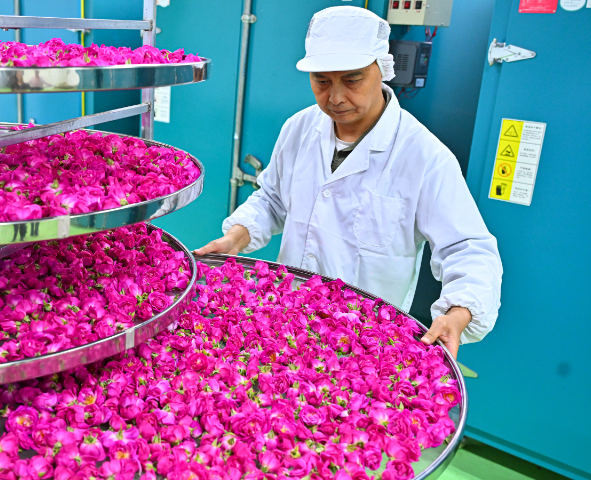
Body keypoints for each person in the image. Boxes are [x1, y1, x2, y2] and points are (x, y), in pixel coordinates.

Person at [195, 6, 502, 359]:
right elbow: (272, 200)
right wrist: (236, 236)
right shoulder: (299, 129)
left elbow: (469, 248)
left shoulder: (424, 157)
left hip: (363, 342)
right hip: (283, 320)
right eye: (321, 81)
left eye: (352, 79)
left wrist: (459, 313)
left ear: (382, 69)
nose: (335, 97)